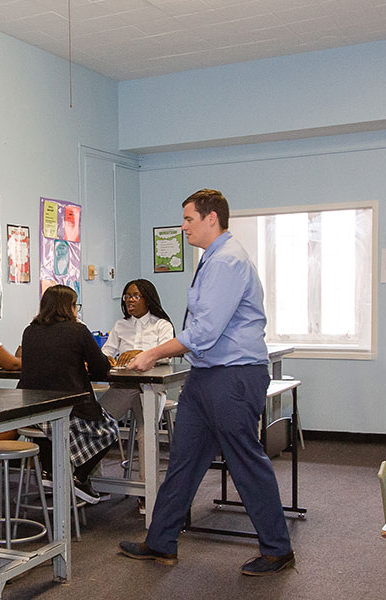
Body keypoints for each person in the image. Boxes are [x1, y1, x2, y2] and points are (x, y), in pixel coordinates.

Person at [118, 189, 295, 576]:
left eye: (188, 219)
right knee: (183, 459)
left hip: (232, 375)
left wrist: (151, 353)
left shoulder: (227, 261)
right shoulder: (212, 259)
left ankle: (278, 549)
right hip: (207, 375)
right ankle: (161, 540)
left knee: (245, 460)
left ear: (211, 218)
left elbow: (205, 330)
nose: (182, 227)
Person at [17, 285, 117, 502]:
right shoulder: (78, 330)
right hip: (69, 408)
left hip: (31, 411)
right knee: (110, 429)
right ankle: (79, 477)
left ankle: (50, 470)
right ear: (69, 307)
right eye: (76, 305)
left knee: (49, 428)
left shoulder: (30, 330)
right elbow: (101, 368)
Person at [99, 279, 175, 422]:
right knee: (99, 421)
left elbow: (167, 356)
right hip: (124, 385)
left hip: (153, 387)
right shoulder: (121, 324)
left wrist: (141, 353)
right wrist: (105, 359)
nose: (130, 300)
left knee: (146, 430)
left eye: (136, 296)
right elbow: (106, 352)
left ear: (147, 299)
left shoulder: (161, 325)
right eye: (127, 296)